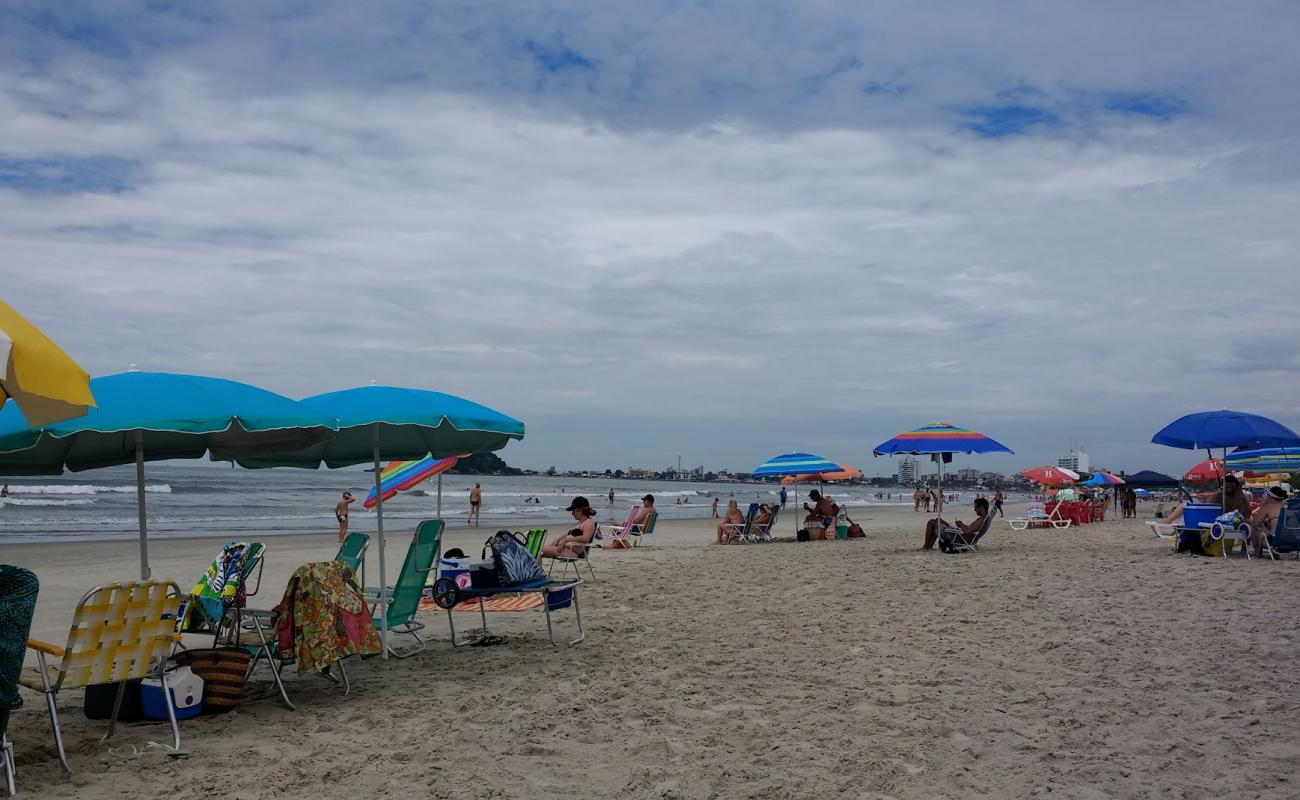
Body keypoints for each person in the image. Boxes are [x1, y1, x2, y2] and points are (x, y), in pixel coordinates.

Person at [924, 497, 989, 551]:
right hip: (960, 535)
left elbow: (967, 531)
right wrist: (962, 525)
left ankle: (926, 547)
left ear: (982, 507)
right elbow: (970, 530)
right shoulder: (984, 519)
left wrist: (960, 525)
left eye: (976, 507)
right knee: (938, 520)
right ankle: (929, 547)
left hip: (957, 538)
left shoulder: (981, 520)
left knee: (931, 522)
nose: (974, 509)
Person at [1248, 486, 1288, 556]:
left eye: (1267, 495)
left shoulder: (1268, 506)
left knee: (1253, 525)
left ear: (1271, 497)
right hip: (1293, 540)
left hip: (1275, 541)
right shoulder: (1290, 505)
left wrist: (1262, 506)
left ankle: (1258, 553)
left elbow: (1255, 523)